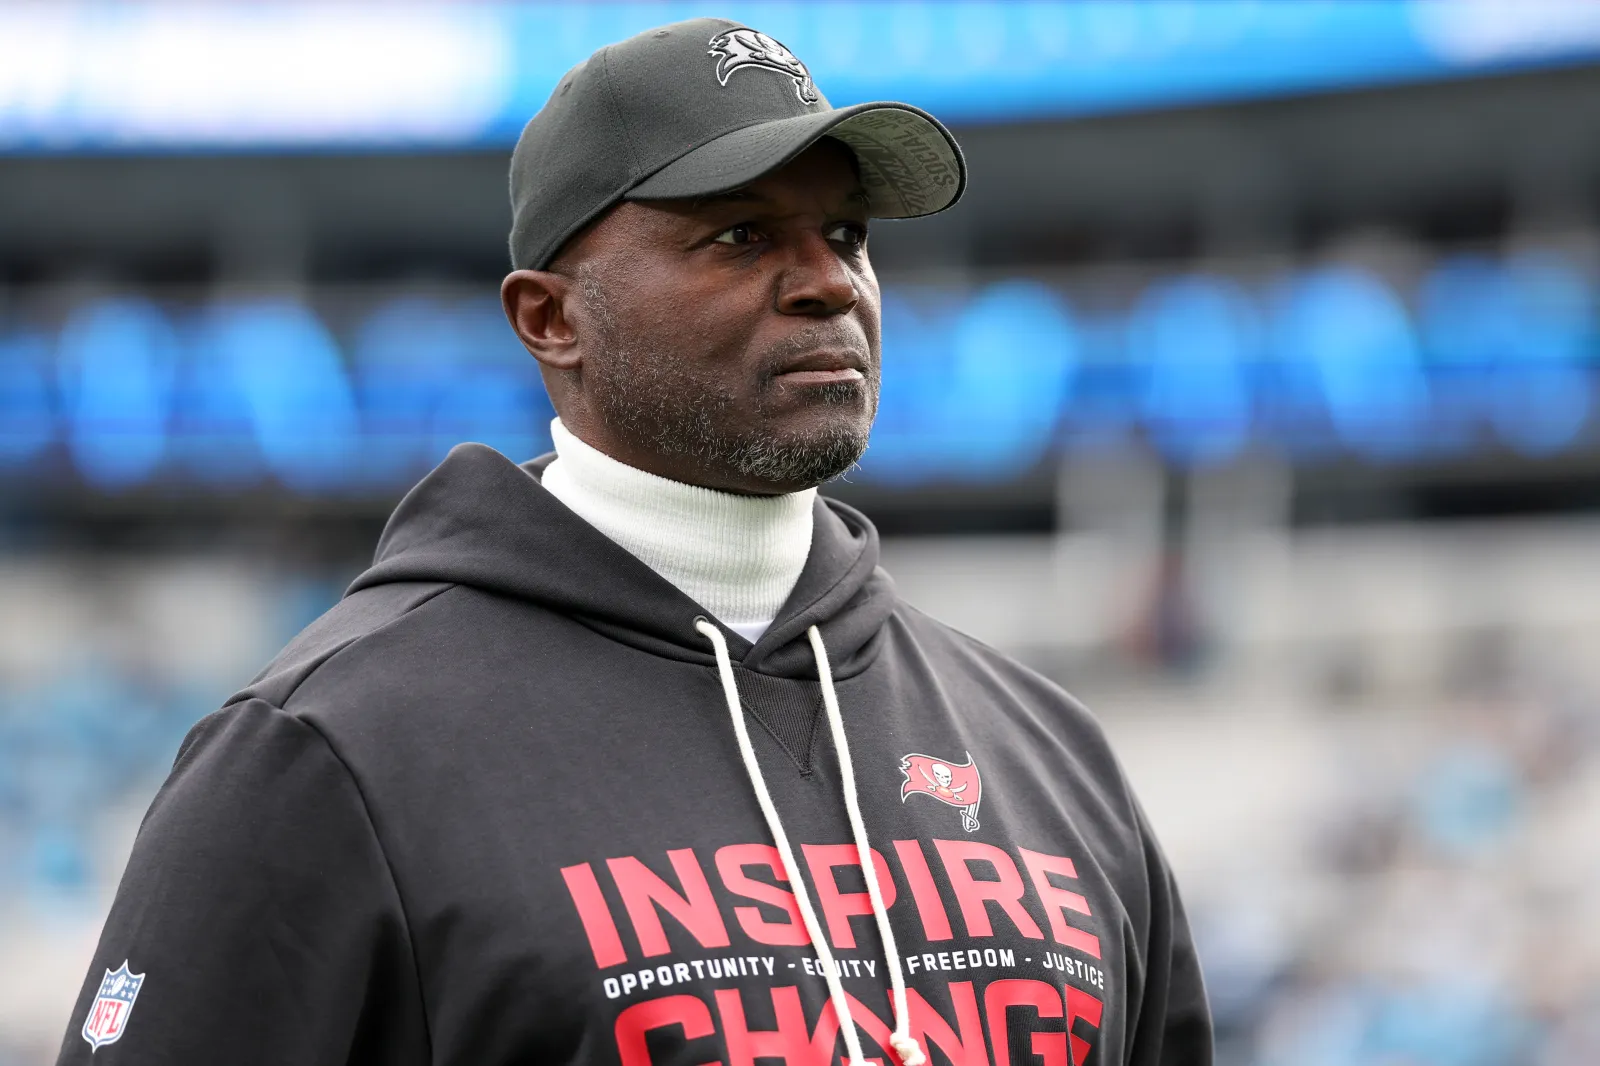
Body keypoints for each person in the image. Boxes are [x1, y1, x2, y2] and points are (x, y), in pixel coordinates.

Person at [58, 18, 1211, 1066]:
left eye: (846, 233)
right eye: (742, 233)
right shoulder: (328, 749)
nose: (827, 284)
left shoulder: (1049, 750)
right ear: (550, 317)